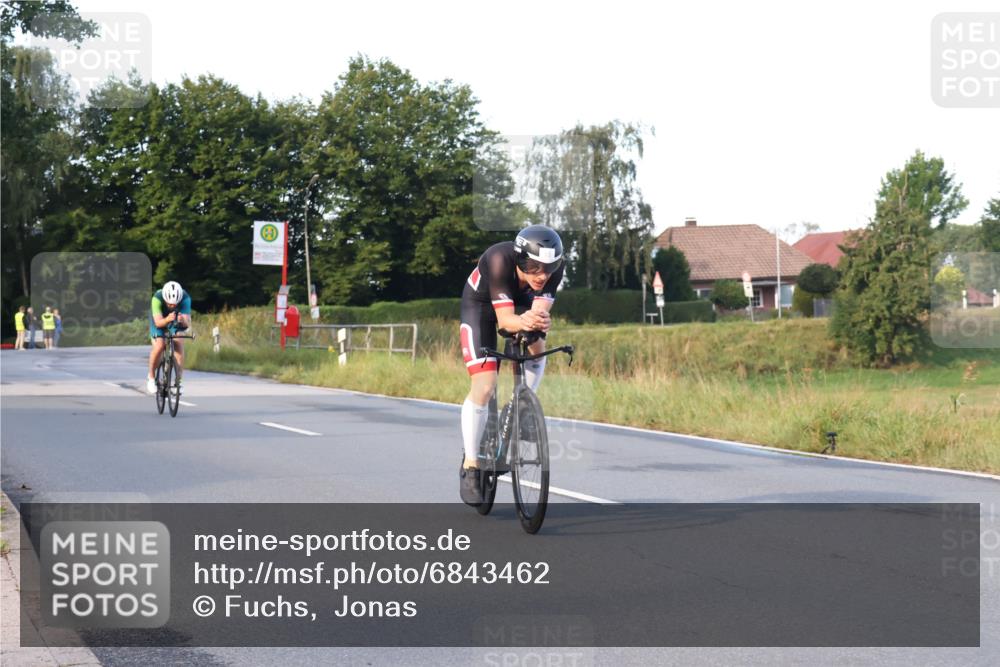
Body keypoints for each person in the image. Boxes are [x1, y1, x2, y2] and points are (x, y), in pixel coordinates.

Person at [458, 224, 564, 505]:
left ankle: (520, 405)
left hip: (520, 304)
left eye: (549, 269)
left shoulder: (553, 271)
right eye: (534, 267)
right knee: (485, 385)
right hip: (481, 306)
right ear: (520, 260)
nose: (542, 275)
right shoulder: (498, 259)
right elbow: (505, 322)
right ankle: (471, 465)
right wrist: (523, 321)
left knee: (536, 346)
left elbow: (538, 313)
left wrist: (537, 322)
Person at [146, 281, 192, 394]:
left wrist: (182, 320)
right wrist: (167, 319)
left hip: (175, 320)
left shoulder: (185, 298)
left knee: (179, 344)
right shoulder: (157, 299)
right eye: (169, 304)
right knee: (159, 346)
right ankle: (151, 377)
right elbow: (158, 323)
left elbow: (187, 324)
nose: (172, 306)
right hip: (159, 320)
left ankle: (178, 382)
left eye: (175, 304)